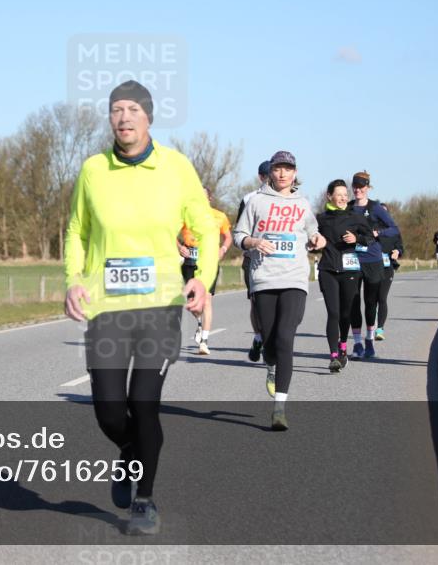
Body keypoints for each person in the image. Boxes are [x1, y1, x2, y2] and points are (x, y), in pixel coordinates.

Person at [64, 80, 216, 536]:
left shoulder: (176, 167)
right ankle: (131, 451)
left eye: (132, 109)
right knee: (110, 412)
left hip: (160, 306)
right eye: (116, 109)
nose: (124, 117)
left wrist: (202, 279)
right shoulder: (93, 169)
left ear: (149, 117)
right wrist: (73, 280)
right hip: (106, 307)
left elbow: (205, 228)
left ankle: (144, 500)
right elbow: (77, 231)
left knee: (143, 403)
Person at [233, 150, 324, 429]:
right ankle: (270, 364)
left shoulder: (303, 204)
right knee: (271, 342)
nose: (283, 173)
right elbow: (239, 235)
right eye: (278, 168)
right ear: (270, 172)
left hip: (294, 278)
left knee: (286, 338)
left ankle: (279, 409)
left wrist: (317, 240)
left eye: (288, 169)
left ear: (295, 173)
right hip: (264, 278)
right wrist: (253, 242)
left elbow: (313, 233)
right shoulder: (255, 201)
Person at [316, 179, 372, 372]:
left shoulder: (355, 217)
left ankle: (342, 346)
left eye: (345, 195)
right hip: (328, 270)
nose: (342, 198)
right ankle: (333, 356)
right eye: (338, 194)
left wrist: (357, 238)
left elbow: (370, 239)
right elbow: (311, 240)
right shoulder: (320, 219)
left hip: (349, 271)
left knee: (345, 313)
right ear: (329, 196)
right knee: (333, 313)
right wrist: (314, 244)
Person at [346, 171, 399, 359]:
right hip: (352, 260)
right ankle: (357, 343)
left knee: (370, 302)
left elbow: (394, 228)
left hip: (373, 260)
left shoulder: (375, 207)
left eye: (361, 187)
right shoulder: (348, 207)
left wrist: (378, 233)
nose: (358, 190)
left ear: (368, 187)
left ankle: (369, 340)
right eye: (355, 186)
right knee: (353, 303)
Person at [178, 187, 231, 355]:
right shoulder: (184, 215)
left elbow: (228, 237)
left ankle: (204, 342)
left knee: (206, 300)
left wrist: (223, 249)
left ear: (209, 199)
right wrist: (179, 246)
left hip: (209, 263)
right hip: (190, 263)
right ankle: (200, 324)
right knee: (193, 303)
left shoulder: (219, 216)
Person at [234, 161, 271, 361]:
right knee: (257, 302)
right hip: (253, 259)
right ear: (261, 177)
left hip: (278, 262)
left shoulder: (288, 199)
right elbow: (239, 232)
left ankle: (270, 340)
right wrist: (251, 245)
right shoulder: (249, 199)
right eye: (268, 175)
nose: (272, 178)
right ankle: (259, 338)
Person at [375, 217, 403, 340]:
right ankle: (371, 327)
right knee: (371, 300)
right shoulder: (370, 228)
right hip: (372, 268)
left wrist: (397, 251)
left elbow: (400, 247)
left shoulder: (394, 231)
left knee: (382, 298)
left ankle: (380, 328)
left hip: (387, 268)